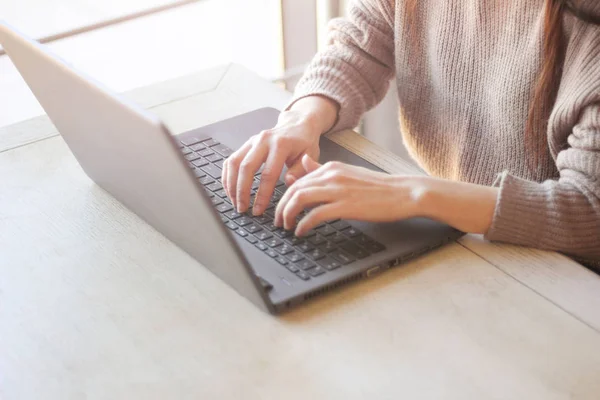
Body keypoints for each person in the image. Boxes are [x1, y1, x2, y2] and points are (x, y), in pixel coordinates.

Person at [222, 0, 600, 269]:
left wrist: (413, 193)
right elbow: (361, 43)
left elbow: (587, 211)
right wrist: (303, 117)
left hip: (558, 275)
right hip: (456, 237)